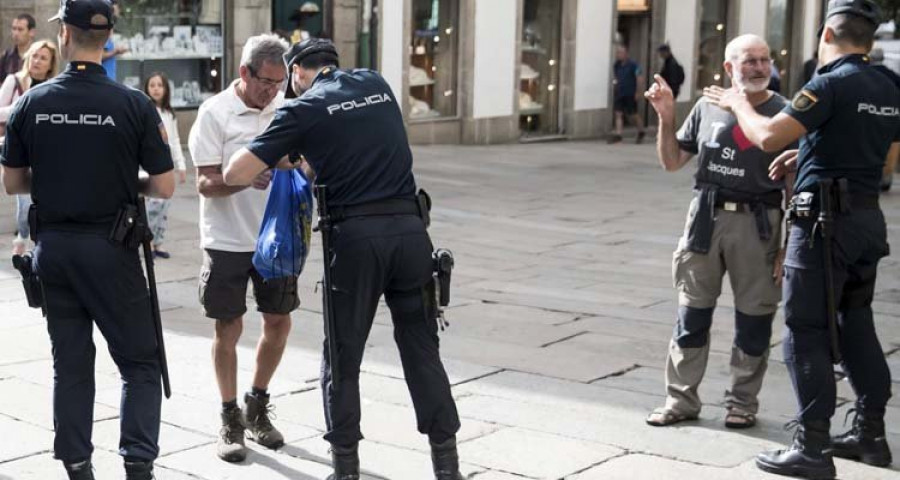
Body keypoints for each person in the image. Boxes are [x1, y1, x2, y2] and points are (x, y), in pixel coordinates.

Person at [222, 38, 465, 480]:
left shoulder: (302, 108)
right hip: (411, 234)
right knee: (422, 352)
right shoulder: (377, 83)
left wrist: (277, 151)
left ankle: (346, 469)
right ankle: (447, 466)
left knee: (342, 358)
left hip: (356, 242)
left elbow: (234, 172)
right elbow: (350, 150)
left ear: (297, 73)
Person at [704, 1, 896, 478]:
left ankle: (812, 447)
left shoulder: (828, 83)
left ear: (827, 34)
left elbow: (767, 136)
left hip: (822, 226)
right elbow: (885, 160)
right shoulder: (890, 84)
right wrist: (807, 153)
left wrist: (738, 103)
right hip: (867, 220)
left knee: (805, 330)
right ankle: (871, 436)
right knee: (857, 324)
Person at [0, 0, 174, 479]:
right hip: (112, 249)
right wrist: (122, 183)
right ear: (106, 38)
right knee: (140, 363)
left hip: (54, 250)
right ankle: (138, 465)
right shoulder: (134, 104)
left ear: (64, 36)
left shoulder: (31, 103)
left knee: (71, 364)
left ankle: (78, 466)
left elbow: (13, 184)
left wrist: (60, 178)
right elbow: (163, 186)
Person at [643, 34, 791, 431]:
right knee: (691, 315)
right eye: (749, 61)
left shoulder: (784, 113)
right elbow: (673, 162)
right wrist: (667, 116)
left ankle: (742, 403)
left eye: (765, 60)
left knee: (754, 319)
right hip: (705, 220)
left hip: (760, 225)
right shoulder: (708, 106)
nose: (760, 68)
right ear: (729, 68)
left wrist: (787, 245)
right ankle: (680, 399)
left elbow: (795, 182)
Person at [187, 33, 295, 463]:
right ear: (244, 73)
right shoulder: (215, 113)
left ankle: (257, 404)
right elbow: (204, 183)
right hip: (227, 240)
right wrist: (243, 178)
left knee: (279, 322)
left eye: (279, 83)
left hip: (276, 237)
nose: (272, 91)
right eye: (265, 82)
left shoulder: (286, 110)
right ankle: (230, 416)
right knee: (228, 328)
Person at [0, 40, 60, 256]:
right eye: (34, 55)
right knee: (24, 202)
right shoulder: (14, 80)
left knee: (35, 202)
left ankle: (31, 242)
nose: (37, 61)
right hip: (14, 151)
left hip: (42, 152)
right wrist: (19, 108)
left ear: (51, 64)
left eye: (43, 58)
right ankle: (23, 238)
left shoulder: (54, 87)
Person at [142, 72, 187, 258]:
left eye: (159, 85)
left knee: (164, 208)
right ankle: (148, 243)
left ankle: (158, 243)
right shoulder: (144, 110)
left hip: (166, 167)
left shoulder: (169, 114)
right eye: (152, 85)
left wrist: (181, 165)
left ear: (166, 89)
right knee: (151, 207)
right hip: (148, 167)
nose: (156, 89)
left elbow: (175, 141)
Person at [868, 47, 900, 192]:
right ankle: (886, 180)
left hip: (867, 116)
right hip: (892, 117)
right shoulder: (893, 76)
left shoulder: (865, 75)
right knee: (890, 151)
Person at [610, 44, 646, 144]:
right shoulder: (616, 65)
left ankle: (641, 130)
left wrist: (638, 92)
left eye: (621, 53)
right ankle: (619, 134)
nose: (618, 55)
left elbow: (639, 78)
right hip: (620, 93)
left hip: (630, 93)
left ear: (626, 54)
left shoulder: (634, 65)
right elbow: (616, 77)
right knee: (618, 113)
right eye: (617, 53)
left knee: (633, 114)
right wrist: (616, 86)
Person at [0, 14, 36, 83]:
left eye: (20, 29)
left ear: (31, 32)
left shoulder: (37, 56)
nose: (16, 33)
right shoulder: (6, 56)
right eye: (14, 29)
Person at [101, 0, 127, 81]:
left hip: (110, 79)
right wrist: (116, 52)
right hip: (104, 79)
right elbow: (99, 56)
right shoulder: (103, 31)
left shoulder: (110, 31)